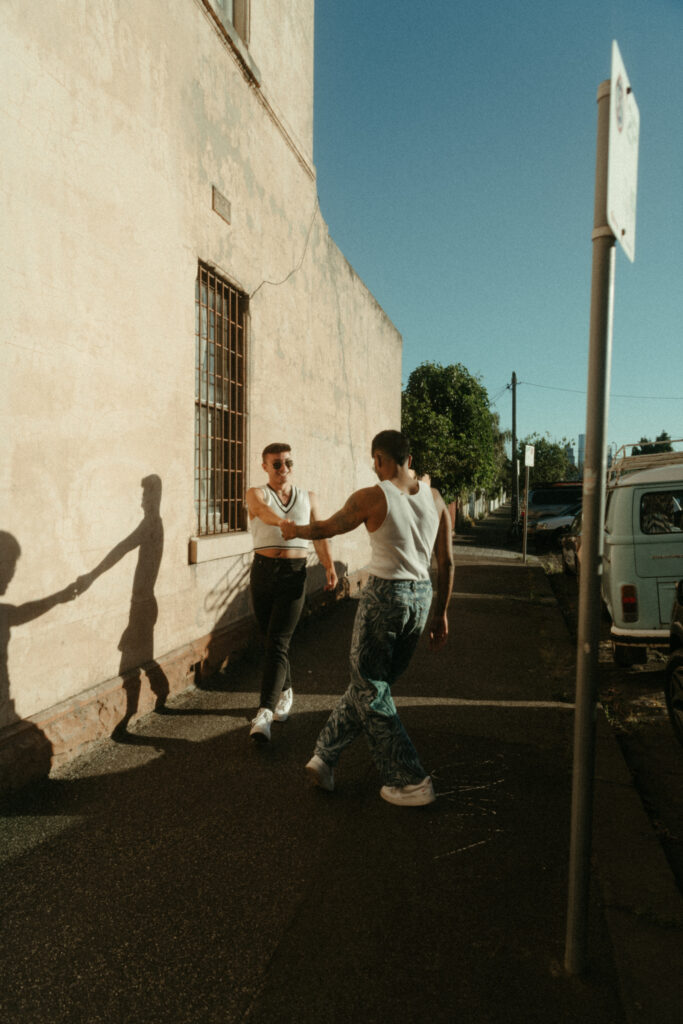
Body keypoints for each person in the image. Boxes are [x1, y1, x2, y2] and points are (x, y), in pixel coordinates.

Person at [280, 429, 454, 806]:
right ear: (409, 458)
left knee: (371, 686)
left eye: (374, 461)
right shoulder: (436, 498)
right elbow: (447, 562)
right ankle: (324, 757)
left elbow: (327, 527)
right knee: (370, 684)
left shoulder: (373, 497)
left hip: (385, 595)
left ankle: (411, 780)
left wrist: (295, 529)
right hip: (421, 598)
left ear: (380, 459)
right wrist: (441, 614)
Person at [246, 443, 337, 742]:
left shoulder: (308, 497)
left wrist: (328, 566)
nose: (283, 469)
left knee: (277, 641)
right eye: (276, 464)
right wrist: (282, 523)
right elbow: (260, 511)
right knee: (270, 638)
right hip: (263, 572)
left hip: (294, 575)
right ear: (265, 467)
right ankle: (285, 689)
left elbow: (319, 533)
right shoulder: (256, 493)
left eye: (288, 463)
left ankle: (264, 714)